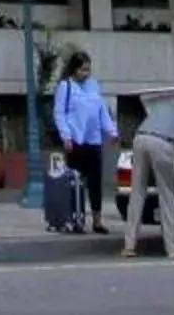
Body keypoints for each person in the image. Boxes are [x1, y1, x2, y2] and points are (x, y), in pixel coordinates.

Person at [53, 48, 114, 234]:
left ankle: (97, 220)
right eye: (82, 70)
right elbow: (59, 113)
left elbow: (102, 111)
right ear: (74, 70)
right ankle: (75, 218)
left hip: (93, 140)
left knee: (95, 182)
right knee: (75, 183)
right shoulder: (66, 86)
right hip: (76, 140)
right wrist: (66, 136)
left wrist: (111, 130)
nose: (86, 74)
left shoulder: (93, 86)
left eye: (88, 70)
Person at [121, 95, 174, 261]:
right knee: (166, 196)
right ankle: (172, 249)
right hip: (162, 145)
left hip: (140, 139)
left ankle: (129, 246)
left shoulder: (160, 111)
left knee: (136, 193)